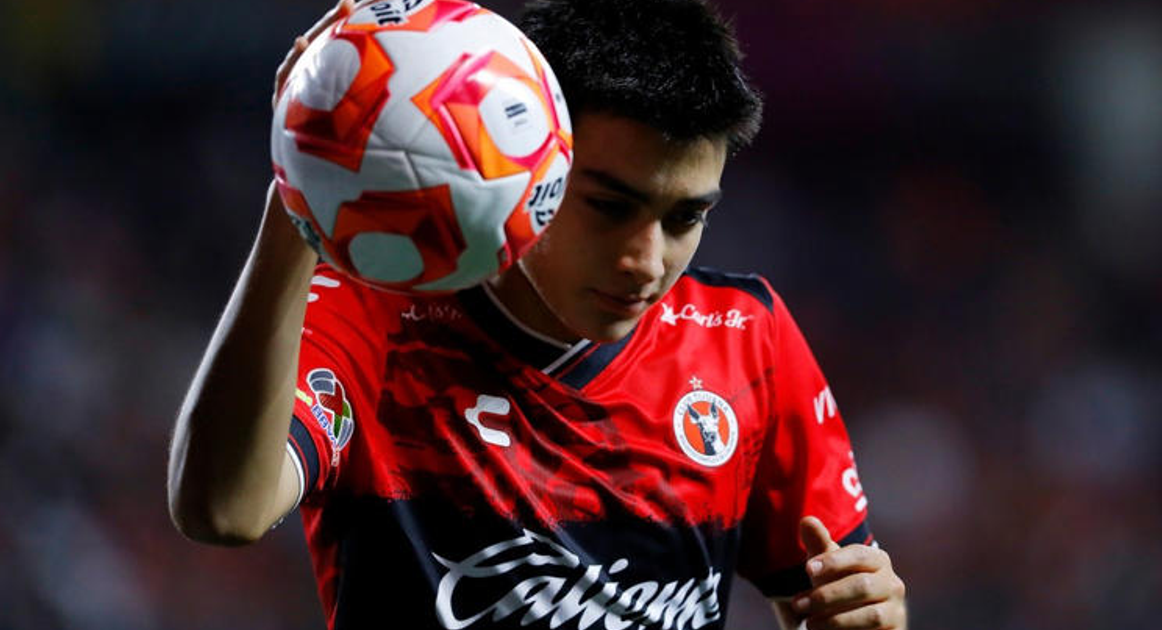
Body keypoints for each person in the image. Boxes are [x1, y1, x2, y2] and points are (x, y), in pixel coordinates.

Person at [167, 0, 908, 628]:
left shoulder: (744, 337)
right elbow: (223, 512)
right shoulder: (373, 321)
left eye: (685, 218)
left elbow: (827, 600)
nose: (646, 261)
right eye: (609, 207)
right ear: (530, 159)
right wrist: (302, 193)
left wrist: (870, 613)